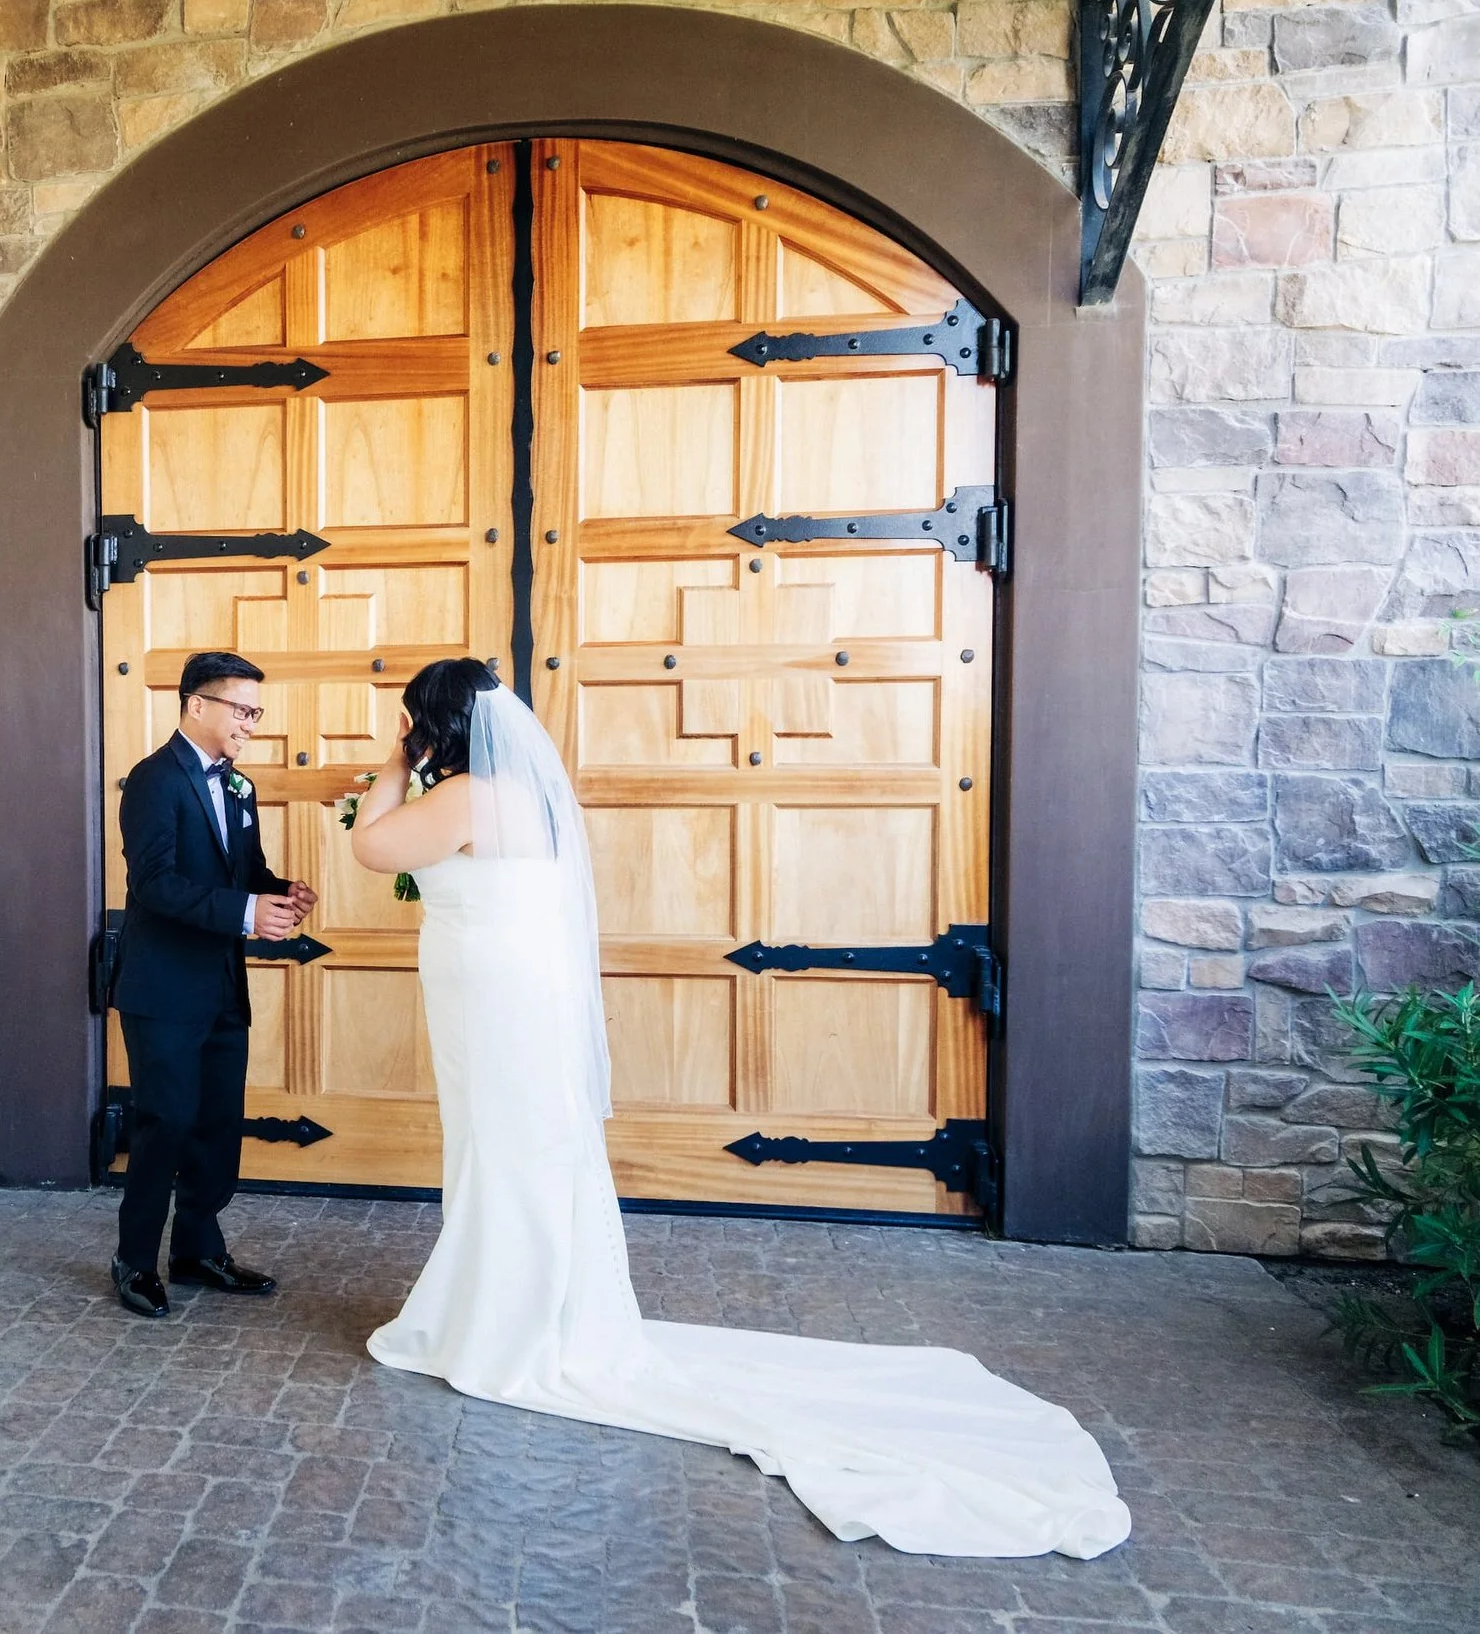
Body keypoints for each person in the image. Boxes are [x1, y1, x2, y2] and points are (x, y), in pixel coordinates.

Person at [344, 657, 1130, 1559]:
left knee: (502, 1150)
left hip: (492, 998)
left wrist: (394, 765)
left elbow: (373, 847)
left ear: (436, 722)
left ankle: (508, 1320)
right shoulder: (523, 791)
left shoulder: (467, 794)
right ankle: (529, 1301)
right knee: (519, 1147)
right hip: (508, 992)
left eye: (415, 718)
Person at [106, 651, 317, 1320]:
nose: (252, 723)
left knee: (216, 1125)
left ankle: (196, 1248)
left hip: (223, 984)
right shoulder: (152, 780)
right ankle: (135, 1258)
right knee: (163, 1123)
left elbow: (242, 870)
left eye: (257, 710)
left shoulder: (239, 787)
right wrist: (248, 914)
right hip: (163, 988)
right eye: (243, 709)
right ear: (197, 704)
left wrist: (278, 892)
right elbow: (155, 884)